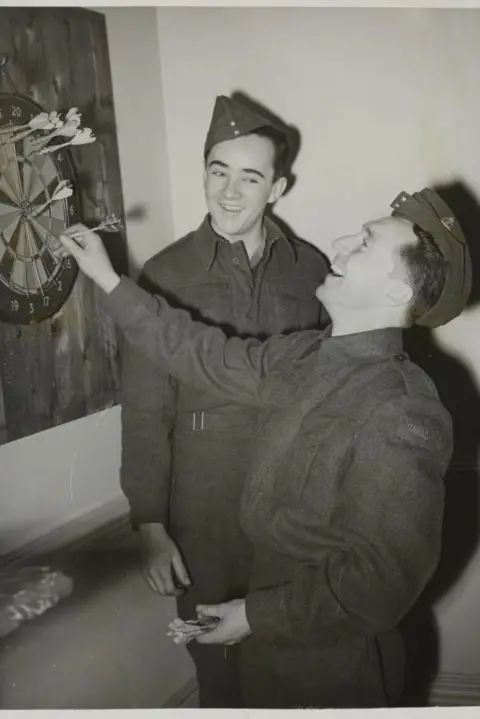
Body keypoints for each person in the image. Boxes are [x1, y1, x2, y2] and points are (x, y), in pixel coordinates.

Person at [57, 186, 471, 708]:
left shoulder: (404, 409)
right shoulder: (304, 356)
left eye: (365, 244)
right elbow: (199, 351)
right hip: (270, 654)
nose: (341, 244)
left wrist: (253, 617)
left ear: (396, 293)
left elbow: (379, 583)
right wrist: (108, 280)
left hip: (335, 671)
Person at [118, 94, 328, 707]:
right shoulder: (163, 275)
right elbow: (144, 411)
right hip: (202, 514)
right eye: (218, 171)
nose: (230, 192)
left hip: (292, 505)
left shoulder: (312, 269)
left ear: (278, 188)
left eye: (250, 177)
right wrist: (150, 524)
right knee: (210, 652)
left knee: (289, 654)